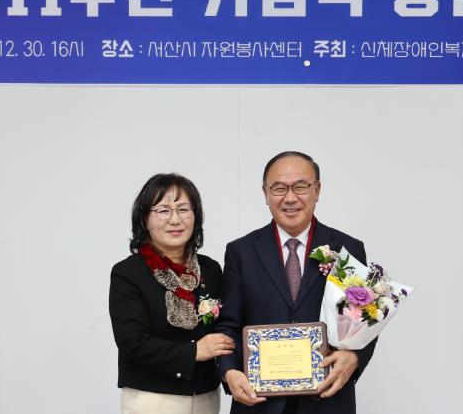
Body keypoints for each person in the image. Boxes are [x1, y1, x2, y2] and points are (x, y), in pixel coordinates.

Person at [216, 151, 377, 414]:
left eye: (300, 186)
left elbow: (365, 317)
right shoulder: (241, 252)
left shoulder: (346, 248)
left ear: (317, 190)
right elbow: (229, 324)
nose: (290, 198)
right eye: (279, 188)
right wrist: (229, 371)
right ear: (265, 193)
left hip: (327, 400)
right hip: (259, 403)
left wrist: (356, 357)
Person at [109, 173, 235, 414]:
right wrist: (194, 351)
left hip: (206, 396)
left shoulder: (209, 268)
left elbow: (226, 325)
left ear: (195, 216)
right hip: (153, 399)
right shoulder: (128, 272)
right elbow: (131, 341)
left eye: (183, 209)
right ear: (145, 219)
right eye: (163, 211)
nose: (175, 220)